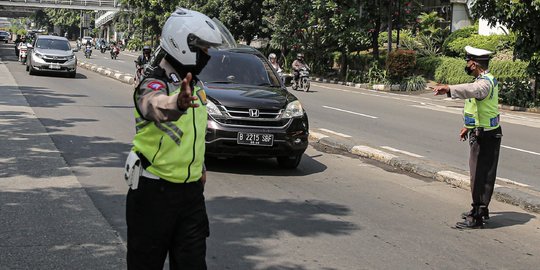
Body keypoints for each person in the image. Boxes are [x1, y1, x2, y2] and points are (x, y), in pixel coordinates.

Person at [124, 8, 225, 269]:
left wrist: (199, 168)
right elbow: (152, 105)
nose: (207, 55)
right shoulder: (153, 81)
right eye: (202, 48)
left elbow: (194, 133)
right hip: (153, 193)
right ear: (183, 44)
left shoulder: (196, 85)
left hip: (191, 195)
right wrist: (176, 104)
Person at [433, 46, 503, 229]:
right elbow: (476, 107)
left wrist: (448, 89)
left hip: (485, 135)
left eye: (468, 62)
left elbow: (472, 91)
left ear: (474, 63)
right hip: (487, 131)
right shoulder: (486, 79)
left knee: (479, 175)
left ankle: (476, 216)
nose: (466, 65)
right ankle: (482, 210)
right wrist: (467, 126)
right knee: (485, 174)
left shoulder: (483, 83)